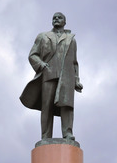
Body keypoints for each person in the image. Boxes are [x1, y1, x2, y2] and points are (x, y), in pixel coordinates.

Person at [20, 12, 83, 140]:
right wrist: (41, 64)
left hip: (67, 76)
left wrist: (76, 80)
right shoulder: (43, 36)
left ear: (64, 22)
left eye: (59, 17)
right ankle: (46, 136)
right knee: (46, 105)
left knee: (67, 106)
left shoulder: (71, 39)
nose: (56, 19)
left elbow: (74, 62)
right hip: (48, 73)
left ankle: (67, 133)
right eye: (54, 18)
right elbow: (32, 55)